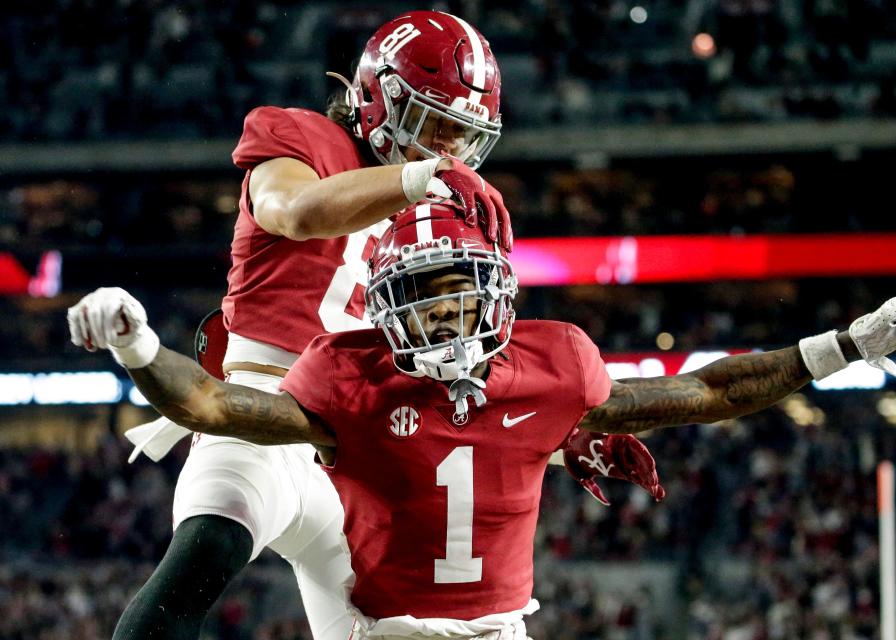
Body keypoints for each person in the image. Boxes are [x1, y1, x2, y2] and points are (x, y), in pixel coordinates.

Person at [69, 202, 896, 639]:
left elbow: (707, 394)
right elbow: (217, 405)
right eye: (422, 301)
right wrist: (139, 346)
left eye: (458, 297)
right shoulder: (349, 380)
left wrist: (843, 345)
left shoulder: (553, 370)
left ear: (497, 296)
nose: (446, 320)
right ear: (384, 309)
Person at [109, 10, 657, 639]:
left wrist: (554, 437)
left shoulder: (444, 208)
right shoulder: (305, 139)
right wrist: (415, 179)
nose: (448, 152)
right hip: (268, 406)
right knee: (196, 568)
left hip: (373, 433)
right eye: (433, 127)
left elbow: (461, 350)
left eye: (462, 137)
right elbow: (292, 211)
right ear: (379, 98)